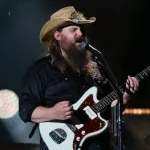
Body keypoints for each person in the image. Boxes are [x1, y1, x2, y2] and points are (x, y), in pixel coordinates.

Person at [19, 6, 139, 150]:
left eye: (81, 29)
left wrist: (124, 97)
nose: (80, 33)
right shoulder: (41, 69)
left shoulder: (95, 68)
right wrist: (53, 112)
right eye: (73, 30)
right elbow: (26, 110)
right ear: (58, 36)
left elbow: (109, 111)